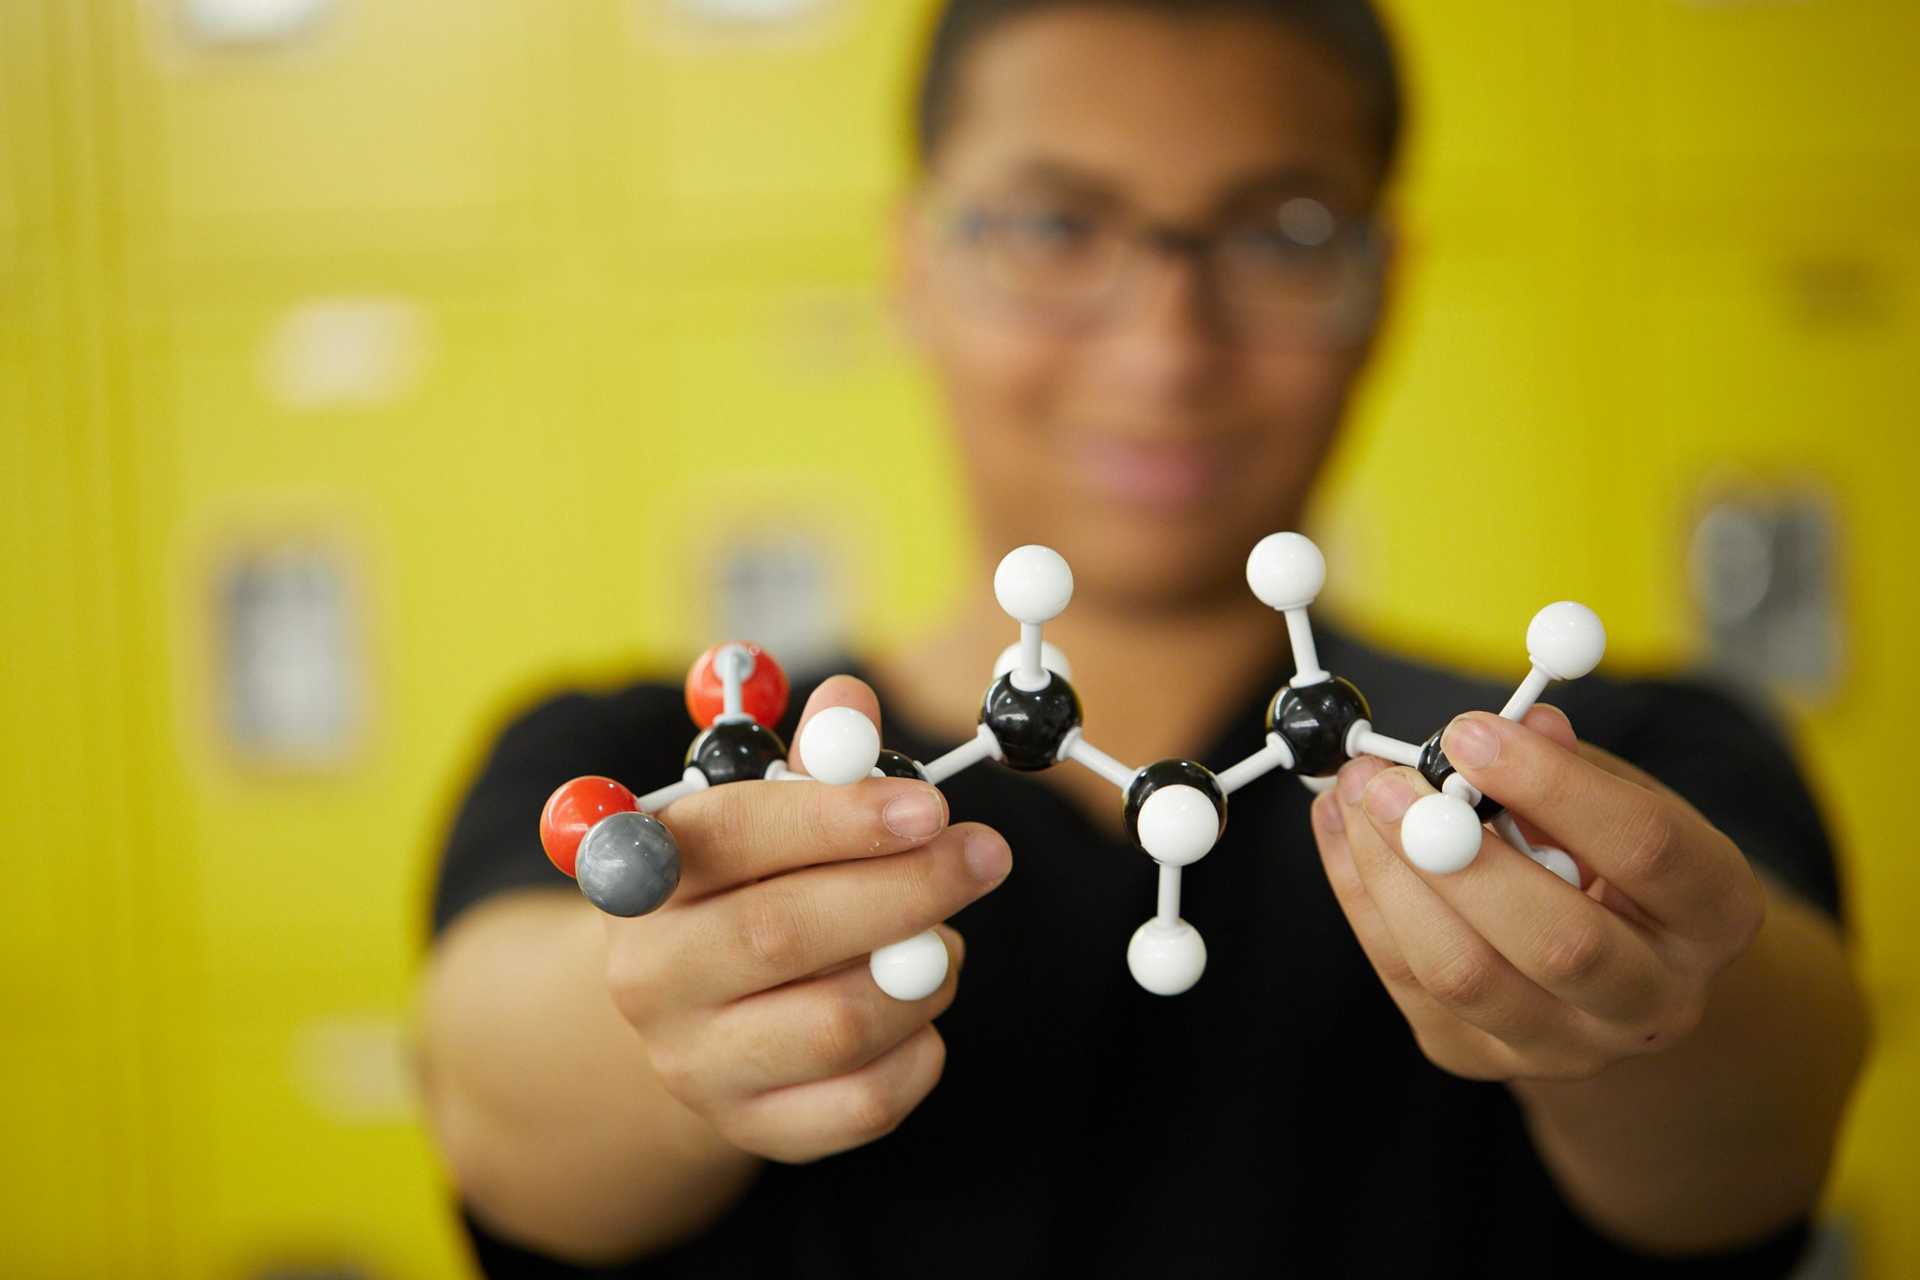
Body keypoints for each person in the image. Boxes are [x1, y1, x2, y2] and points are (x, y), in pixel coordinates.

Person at [415, 1, 1868, 1275]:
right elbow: (493, 1091)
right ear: (912, 266)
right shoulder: (635, 757)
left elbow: (1771, 1115)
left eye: (1280, 233)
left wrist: (1645, 1012)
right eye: (1055, 225)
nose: (1168, 344)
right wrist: (676, 1018)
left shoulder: (1622, 759)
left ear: (1386, 280)